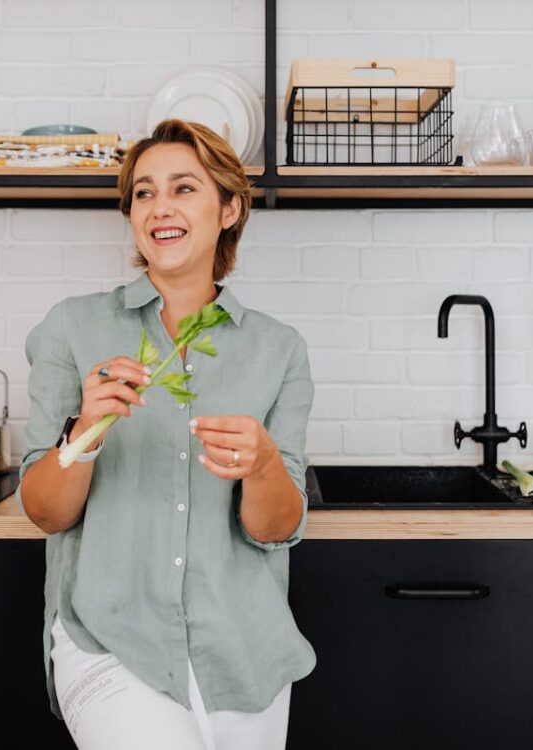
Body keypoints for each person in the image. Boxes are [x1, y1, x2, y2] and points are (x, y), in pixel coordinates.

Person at [16, 118, 316, 750]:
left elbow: (276, 529)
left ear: (229, 208)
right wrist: (85, 431)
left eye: (184, 188)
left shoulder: (279, 350)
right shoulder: (70, 330)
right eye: (143, 193)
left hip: (245, 651)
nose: (159, 208)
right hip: (110, 640)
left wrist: (261, 466)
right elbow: (44, 512)